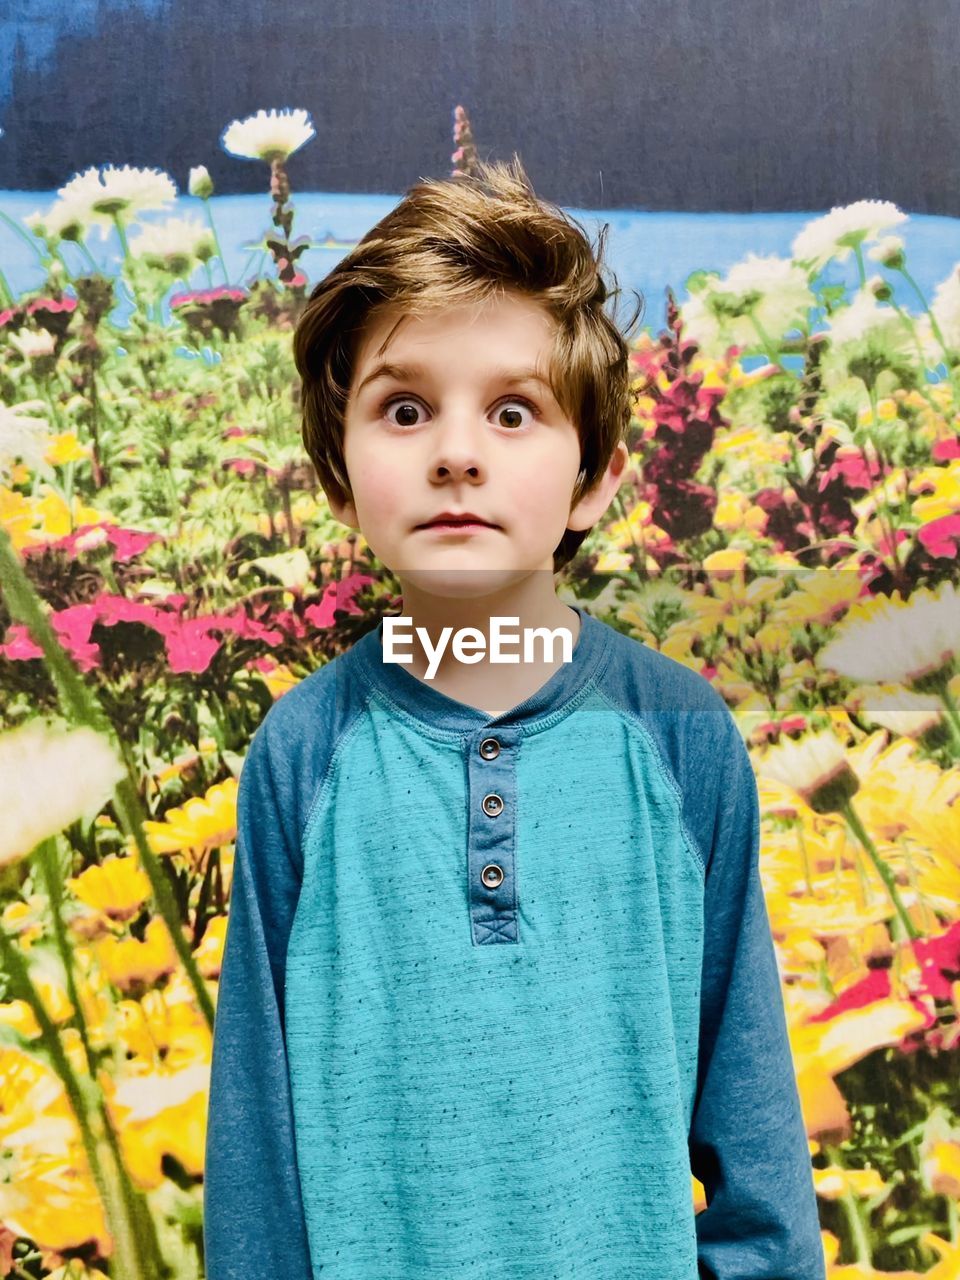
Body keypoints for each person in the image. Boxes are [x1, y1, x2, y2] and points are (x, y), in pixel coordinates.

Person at [203, 154, 825, 1279]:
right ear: (339, 476)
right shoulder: (299, 757)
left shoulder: (683, 742)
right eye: (402, 407)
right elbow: (256, 1150)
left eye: (512, 409)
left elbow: (756, 1140)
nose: (455, 450)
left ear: (593, 478)